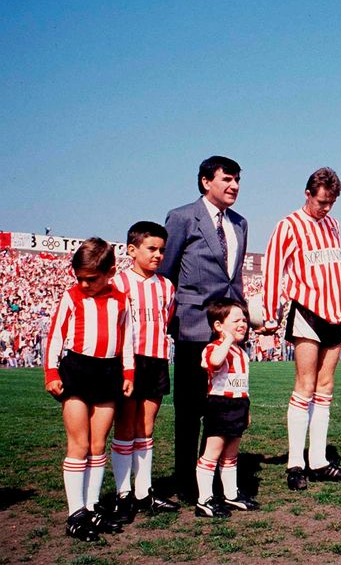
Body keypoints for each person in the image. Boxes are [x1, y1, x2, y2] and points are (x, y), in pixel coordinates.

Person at [158, 156, 248, 504]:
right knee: (190, 407)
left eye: (238, 180)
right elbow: (166, 274)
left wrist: (240, 324)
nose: (234, 186)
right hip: (193, 327)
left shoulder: (240, 223)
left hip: (228, 331)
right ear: (205, 182)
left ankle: (214, 482)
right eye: (227, 179)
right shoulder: (181, 217)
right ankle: (185, 482)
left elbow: (234, 278)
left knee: (224, 410)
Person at [262, 168, 341, 490]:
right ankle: (295, 464)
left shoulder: (333, 224)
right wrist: (271, 312)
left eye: (331, 202)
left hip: (334, 311)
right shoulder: (288, 225)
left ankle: (318, 461)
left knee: (325, 386)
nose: (326, 208)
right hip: (306, 310)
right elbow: (273, 268)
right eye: (322, 201)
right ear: (308, 194)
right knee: (304, 383)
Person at [44, 238, 133, 541]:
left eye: (91, 279)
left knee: (98, 444)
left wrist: (128, 371)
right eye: (79, 277)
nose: (83, 283)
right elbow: (56, 336)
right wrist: (51, 372)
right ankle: (75, 513)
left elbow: (128, 339)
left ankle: (92, 507)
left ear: (111, 272)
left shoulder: (121, 301)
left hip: (108, 372)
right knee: (79, 444)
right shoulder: (71, 297)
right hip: (77, 371)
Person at [110, 222, 180, 523]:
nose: (158, 255)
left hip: (156, 359)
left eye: (162, 250)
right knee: (126, 425)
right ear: (132, 249)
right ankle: (123, 493)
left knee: (147, 427)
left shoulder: (166, 287)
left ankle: (144, 491)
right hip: (128, 360)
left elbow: (167, 321)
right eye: (152, 249)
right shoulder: (119, 283)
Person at [195, 298, 259, 517]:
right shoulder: (214, 348)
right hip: (220, 405)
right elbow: (214, 362)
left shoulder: (241, 352)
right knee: (212, 453)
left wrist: (246, 410)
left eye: (244, 320)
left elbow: (243, 384)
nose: (242, 324)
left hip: (239, 405)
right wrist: (227, 339)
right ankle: (204, 499)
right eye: (236, 321)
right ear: (218, 326)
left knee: (231, 454)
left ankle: (231, 494)